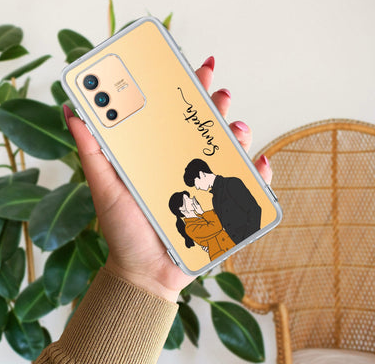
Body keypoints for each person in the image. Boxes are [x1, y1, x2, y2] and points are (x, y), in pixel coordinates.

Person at [35, 56, 272, 364]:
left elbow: (233, 221)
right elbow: (218, 227)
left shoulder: (219, 195)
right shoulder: (204, 212)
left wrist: (144, 278)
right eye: (193, 191)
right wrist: (144, 279)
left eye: (196, 184)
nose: (197, 192)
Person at [184, 158, 262, 245]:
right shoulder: (214, 200)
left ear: (201, 174)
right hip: (239, 246)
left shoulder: (232, 183)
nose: (197, 187)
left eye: (195, 183)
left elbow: (254, 210)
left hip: (254, 241)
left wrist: (249, 240)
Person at [168, 191, 235, 260]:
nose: (191, 200)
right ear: (181, 208)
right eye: (187, 199)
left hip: (232, 246)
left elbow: (221, 216)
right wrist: (202, 211)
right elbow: (216, 226)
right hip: (222, 255)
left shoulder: (202, 215)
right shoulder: (190, 228)